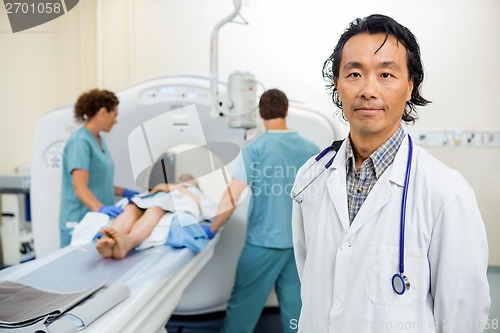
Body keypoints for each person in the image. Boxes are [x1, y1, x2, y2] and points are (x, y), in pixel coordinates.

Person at [291, 14, 490, 333]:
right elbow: (311, 275)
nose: (368, 90)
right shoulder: (311, 177)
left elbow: (462, 316)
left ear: (410, 86)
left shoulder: (446, 192)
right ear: (338, 85)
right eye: (354, 73)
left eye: (386, 74)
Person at [209, 89, 320, 333]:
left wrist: (212, 228)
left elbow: (232, 194)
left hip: (263, 244)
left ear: (260, 114)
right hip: (298, 245)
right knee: (297, 312)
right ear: (287, 111)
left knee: (242, 311)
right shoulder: (311, 149)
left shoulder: (254, 149)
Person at [60, 89, 139, 247]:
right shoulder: (80, 143)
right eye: (114, 115)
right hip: (79, 221)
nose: (115, 120)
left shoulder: (98, 139)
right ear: (103, 112)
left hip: (96, 219)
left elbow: (98, 180)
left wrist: (125, 192)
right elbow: (80, 187)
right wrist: (101, 208)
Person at [96, 174, 217, 259]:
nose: (184, 180)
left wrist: (180, 188)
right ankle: (110, 240)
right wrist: (158, 189)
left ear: (196, 185)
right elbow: (147, 195)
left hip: (165, 203)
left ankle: (127, 242)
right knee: (131, 207)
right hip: (153, 199)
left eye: (189, 180)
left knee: (156, 208)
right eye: (181, 179)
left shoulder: (194, 192)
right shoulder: (166, 186)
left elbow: (209, 210)